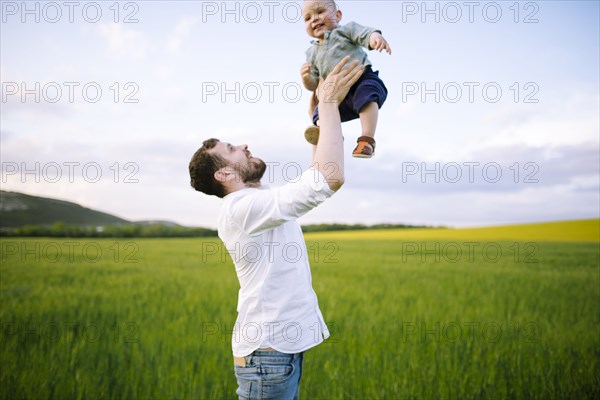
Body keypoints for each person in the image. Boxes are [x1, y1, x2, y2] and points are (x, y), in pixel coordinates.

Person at [189, 56, 364, 400]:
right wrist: (329, 104)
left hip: (275, 352)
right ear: (223, 175)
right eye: (232, 149)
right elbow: (329, 177)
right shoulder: (240, 208)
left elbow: (315, 172)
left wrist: (317, 108)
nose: (244, 145)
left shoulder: (257, 199)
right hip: (267, 356)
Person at [300, 0, 391, 159]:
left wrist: (375, 37)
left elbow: (365, 34)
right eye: (307, 18)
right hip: (337, 95)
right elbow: (314, 83)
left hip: (360, 79)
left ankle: (366, 140)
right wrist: (307, 78)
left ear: (338, 15)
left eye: (320, 11)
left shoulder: (346, 30)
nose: (314, 19)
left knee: (367, 94)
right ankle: (329, 135)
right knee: (319, 112)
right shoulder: (311, 53)